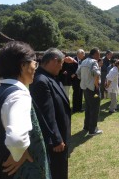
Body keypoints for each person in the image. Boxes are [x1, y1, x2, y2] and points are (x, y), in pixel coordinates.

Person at [0, 41, 51, 179]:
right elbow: (17, 139)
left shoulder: (0, 91)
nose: (35, 67)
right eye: (34, 63)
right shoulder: (18, 95)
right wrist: (18, 153)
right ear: (23, 65)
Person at [30, 48, 72, 179]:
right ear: (54, 61)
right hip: (55, 141)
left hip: (60, 134)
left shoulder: (49, 76)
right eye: (60, 64)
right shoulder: (41, 81)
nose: (61, 67)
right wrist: (56, 139)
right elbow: (46, 114)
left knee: (61, 168)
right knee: (57, 171)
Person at [76, 48, 103, 136]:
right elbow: (97, 73)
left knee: (88, 108)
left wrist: (84, 80)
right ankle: (92, 130)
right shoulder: (94, 62)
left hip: (85, 88)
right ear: (94, 54)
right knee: (94, 109)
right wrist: (96, 84)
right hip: (93, 89)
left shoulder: (83, 61)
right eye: (98, 54)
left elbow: (78, 73)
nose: (99, 56)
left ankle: (86, 126)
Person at [70, 49, 85, 113]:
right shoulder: (73, 60)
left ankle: (79, 107)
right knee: (76, 93)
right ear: (78, 54)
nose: (83, 56)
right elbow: (70, 68)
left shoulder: (82, 61)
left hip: (81, 79)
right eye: (82, 54)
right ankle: (75, 108)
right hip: (75, 79)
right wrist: (73, 74)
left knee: (80, 93)